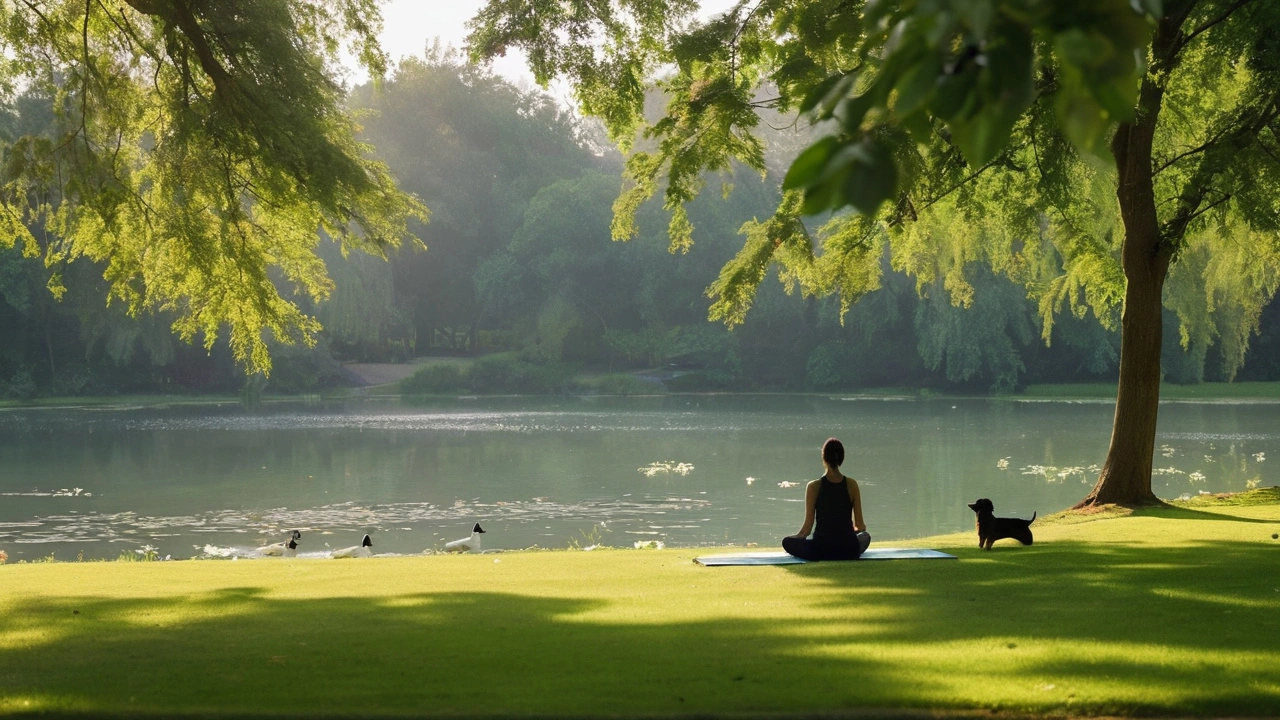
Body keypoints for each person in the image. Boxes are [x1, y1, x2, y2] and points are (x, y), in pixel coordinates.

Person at [782, 438, 871, 561]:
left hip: (821, 549)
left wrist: (795, 538)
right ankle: (844, 549)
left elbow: (806, 530)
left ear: (824, 458)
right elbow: (860, 527)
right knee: (865, 536)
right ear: (841, 458)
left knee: (786, 542)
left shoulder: (813, 486)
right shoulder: (852, 484)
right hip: (848, 549)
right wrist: (845, 535)